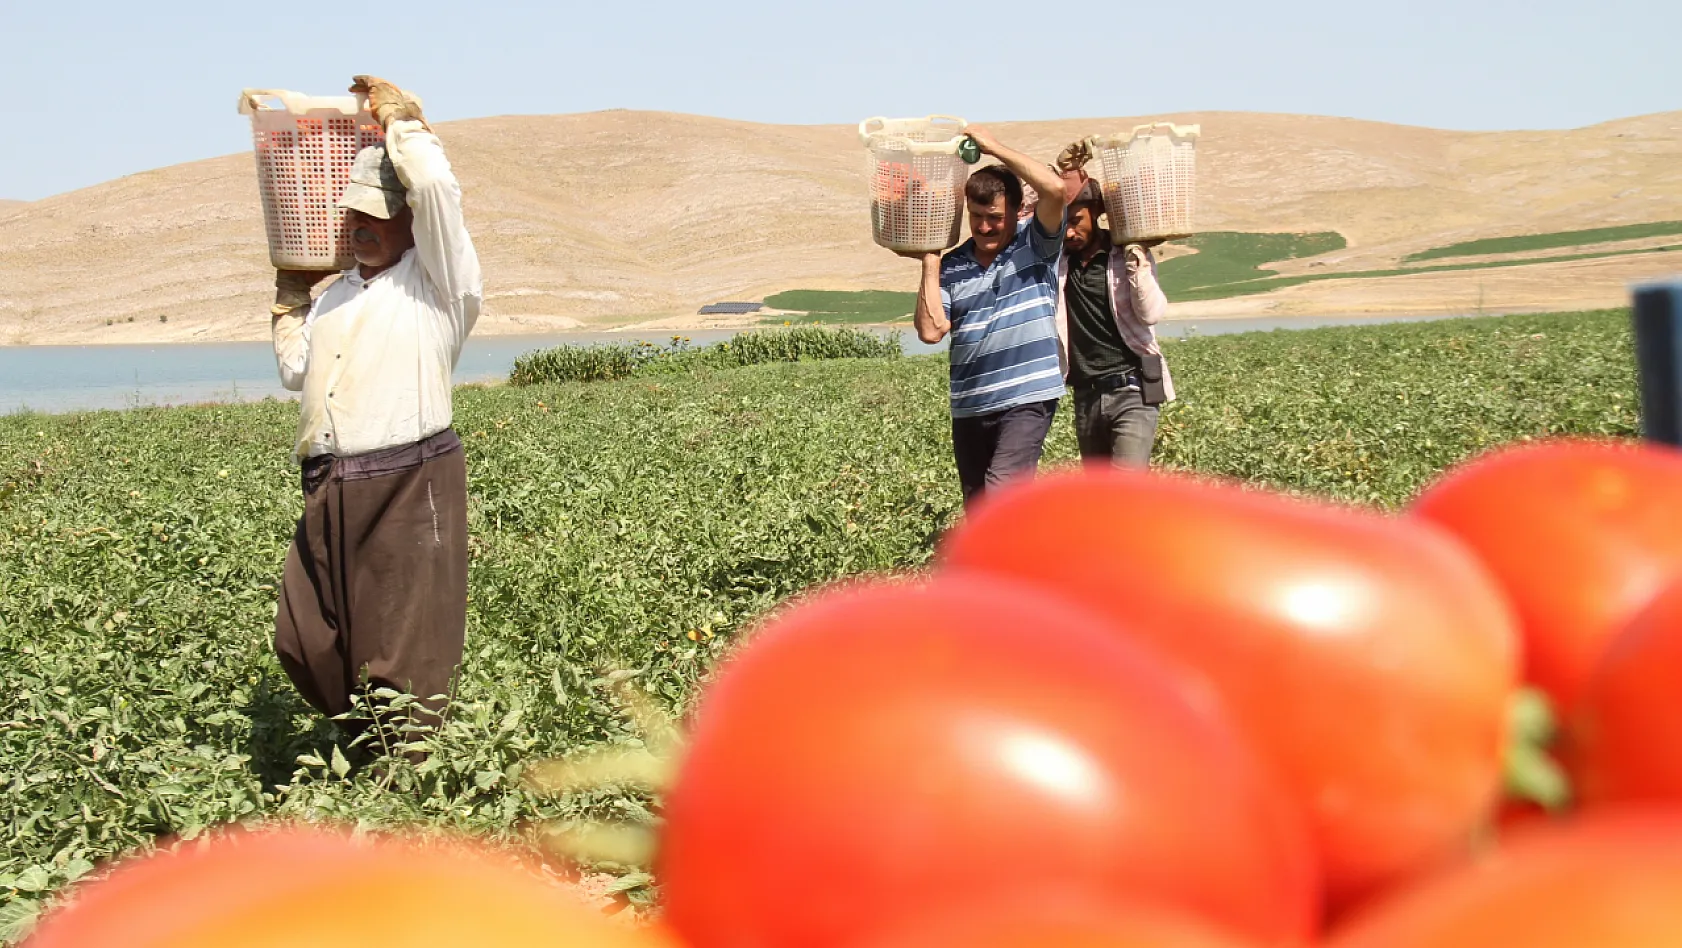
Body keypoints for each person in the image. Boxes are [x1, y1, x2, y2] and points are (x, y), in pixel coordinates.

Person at [266, 75, 482, 739]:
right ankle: (363, 734)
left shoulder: (439, 285)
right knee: (304, 635)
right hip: (329, 480)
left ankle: (407, 777)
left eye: (376, 215)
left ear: (409, 222)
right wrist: (290, 301)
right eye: (352, 215)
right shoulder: (336, 296)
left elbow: (439, 191)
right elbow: (296, 371)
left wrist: (403, 122)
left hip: (409, 476)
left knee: (406, 644)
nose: (359, 227)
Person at [906, 127, 1070, 508]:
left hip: (1026, 398)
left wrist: (993, 148)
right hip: (971, 403)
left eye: (994, 217)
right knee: (979, 507)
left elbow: (1055, 191)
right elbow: (931, 331)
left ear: (1016, 212)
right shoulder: (951, 266)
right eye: (976, 216)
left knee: (1002, 495)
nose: (983, 226)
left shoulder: (1036, 243)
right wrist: (931, 258)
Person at [1051, 140, 1175, 467]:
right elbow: (1025, 216)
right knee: (1100, 495)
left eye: (1076, 221)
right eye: (1062, 225)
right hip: (1086, 394)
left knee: (1124, 490)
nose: (1069, 233)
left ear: (1096, 213)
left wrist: (1137, 255)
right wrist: (1064, 169)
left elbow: (1151, 313)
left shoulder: (1124, 257)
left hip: (1132, 387)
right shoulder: (1058, 262)